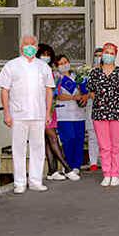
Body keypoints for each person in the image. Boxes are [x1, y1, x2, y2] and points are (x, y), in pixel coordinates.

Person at [0, 35, 55, 194]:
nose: (29, 47)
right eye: (26, 44)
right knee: (18, 149)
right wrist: (6, 113)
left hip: (38, 113)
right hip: (18, 114)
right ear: (21, 46)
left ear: (37, 47)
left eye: (32, 44)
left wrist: (48, 112)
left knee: (38, 147)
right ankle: (19, 182)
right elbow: (4, 90)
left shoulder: (43, 67)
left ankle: (36, 180)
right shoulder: (12, 65)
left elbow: (49, 90)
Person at [86, 42, 119, 188]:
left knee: (117, 145)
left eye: (112, 53)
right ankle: (107, 174)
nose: (108, 55)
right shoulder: (94, 73)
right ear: (102, 55)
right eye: (106, 52)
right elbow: (91, 93)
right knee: (104, 146)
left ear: (115, 55)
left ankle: (115, 174)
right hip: (100, 114)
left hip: (118, 114)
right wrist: (103, 102)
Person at [51, 54, 85, 179]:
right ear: (56, 66)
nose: (64, 65)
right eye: (61, 63)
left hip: (79, 114)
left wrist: (82, 96)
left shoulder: (77, 76)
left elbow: (82, 91)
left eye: (66, 62)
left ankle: (77, 166)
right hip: (64, 114)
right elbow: (57, 95)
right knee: (68, 139)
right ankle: (68, 166)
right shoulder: (56, 78)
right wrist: (73, 97)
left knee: (79, 139)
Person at [44, 55, 75, 183]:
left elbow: (55, 92)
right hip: (38, 109)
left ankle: (52, 170)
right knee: (52, 138)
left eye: (47, 55)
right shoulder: (34, 71)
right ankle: (67, 168)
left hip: (50, 109)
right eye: (42, 55)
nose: (44, 57)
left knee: (48, 140)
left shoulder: (55, 74)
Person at [86, 45, 103, 171]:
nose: (98, 58)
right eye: (96, 56)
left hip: (106, 108)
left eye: (100, 56)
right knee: (93, 135)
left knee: (105, 136)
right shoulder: (89, 72)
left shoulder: (111, 71)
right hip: (92, 106)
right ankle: (93, 162)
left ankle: (104, 161)